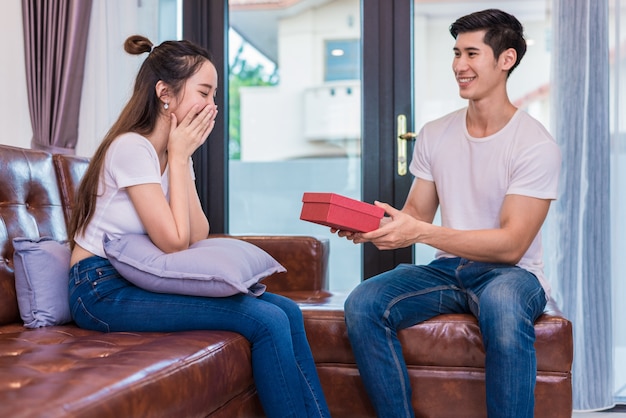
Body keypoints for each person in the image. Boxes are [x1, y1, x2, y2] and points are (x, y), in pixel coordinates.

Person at [68, 35, 330, 418]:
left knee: (286, 310)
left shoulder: (173, 152)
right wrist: (177, 157)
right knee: (265, 319)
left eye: (214, 95)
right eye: (204, 93)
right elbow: (174, 243)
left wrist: (181, 160)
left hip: (137, 276)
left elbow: (197, 233)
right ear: (165, 93)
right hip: (99, 290)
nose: (213, 106)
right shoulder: (132, 148)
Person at [335, 9, 561, 418]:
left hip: (512, 274)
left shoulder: (534, 144)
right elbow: (416, 213)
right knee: (363, 303)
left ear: (505, 59)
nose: (459, 65)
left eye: (472, 54)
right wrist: (372, 228)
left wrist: (419, 233)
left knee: (504, 308)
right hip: (448, 269)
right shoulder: (436, 133)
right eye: (456, 53)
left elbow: (511, 245)